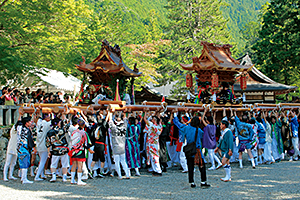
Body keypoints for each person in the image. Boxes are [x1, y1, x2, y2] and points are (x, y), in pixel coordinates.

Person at [173, 112, 210, 188]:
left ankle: (192, 182)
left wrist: (175, 115)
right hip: (197, 150)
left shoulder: (186, 128)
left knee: (190, 166)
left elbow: (178, 124)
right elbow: (203, 138)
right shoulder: (199, 131)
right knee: (201, 166)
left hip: (189, 149)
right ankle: (203, 182)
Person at [69, 119, 94, 185]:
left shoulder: (74, 132)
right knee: (80, 165)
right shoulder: (84, 133)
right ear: (83, 125)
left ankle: (72, 179)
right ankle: (79, 180)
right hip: (80, 150)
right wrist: (90, 150)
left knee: (74, 165)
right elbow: (86, 143)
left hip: (73, 150)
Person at [107, 110, 131, 179]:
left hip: (115, 146)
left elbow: (110, 121)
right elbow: (126, 121)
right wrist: (125, 113)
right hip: (122, 146)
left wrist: (110, 113)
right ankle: (127, 174)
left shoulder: (114, 128)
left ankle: (120, 175)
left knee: (117, 162)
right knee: (123, 161)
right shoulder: (124, 128)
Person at [46, 116, 70, 182]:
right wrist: (64, 114)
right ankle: (64, 177)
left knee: (53, 163)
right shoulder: (63, 130)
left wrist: (48, 151)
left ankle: (54, 176)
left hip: (55, 149)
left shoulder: (50, 131)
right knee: (64, 164)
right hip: (63, 149)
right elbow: (67, 124)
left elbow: (48, 142)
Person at [3, 113, 23, 181]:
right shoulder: (14, 130)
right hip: (11, 147)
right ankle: (5, 176)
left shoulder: (19, 131)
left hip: (16, 148)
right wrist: (19, 115)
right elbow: (17, 123)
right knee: (7, 162)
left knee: (13, 163)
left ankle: (10, 175)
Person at [89, 112, 109, 178]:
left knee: (94, 159)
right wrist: (108, 114)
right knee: (102, 159)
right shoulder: (102, 129)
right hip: (101, 144)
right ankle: (101, 172)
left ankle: (91, 171)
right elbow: (105, 122)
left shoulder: (95, 129)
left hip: (96, 144)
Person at [144, 111, 163, 176]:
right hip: (155, 143)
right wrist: (158, 112)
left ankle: (158, 170)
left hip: (151, 144)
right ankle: (155, 170)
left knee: (155, 158)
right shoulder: (159, 126)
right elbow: (159, 120)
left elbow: (145, 120)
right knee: (154, 158)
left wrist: (145, 112)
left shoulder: (152, 125)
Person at [17, 116, 35, 184]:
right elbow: (30, 140)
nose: (30, 122)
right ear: (26, 123)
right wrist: (33, 147)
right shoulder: (26, 130)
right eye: (29, 121)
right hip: (24, 147)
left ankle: (23, 177)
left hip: (20, 147)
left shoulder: (20, 128)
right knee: (25, 163)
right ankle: (24, 178)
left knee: (23, 163)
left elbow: (18, 123)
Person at [34, 113, 51, 181]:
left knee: (41, 160)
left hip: (38, 144)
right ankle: (37, 176)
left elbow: (37, 120)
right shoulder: (47, 124)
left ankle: (42, 174)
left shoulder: (39, 123)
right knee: (43, 161)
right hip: (44, 145)